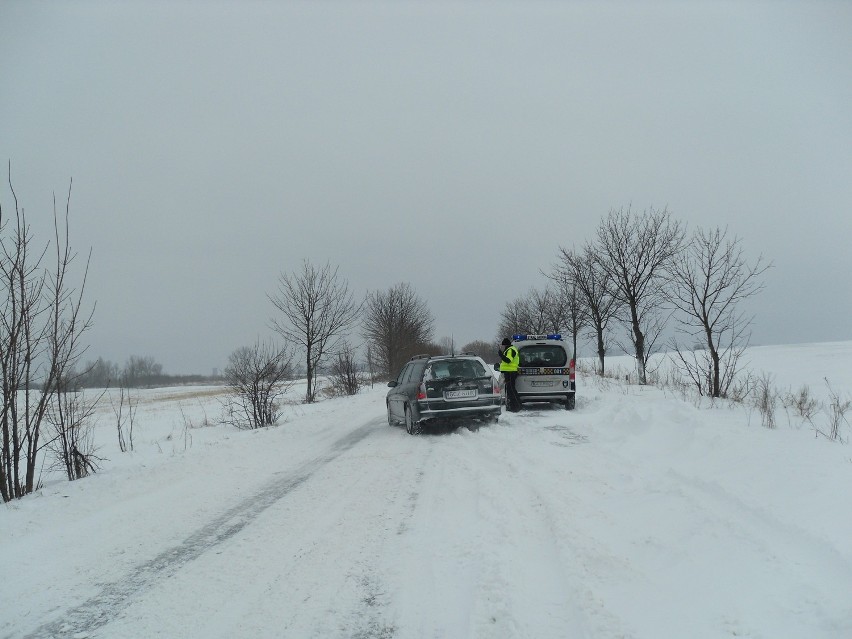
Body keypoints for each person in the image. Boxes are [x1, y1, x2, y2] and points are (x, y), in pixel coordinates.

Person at [498, 337, 521, 412]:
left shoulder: (510, 350)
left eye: (503, 345)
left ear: (506, 345)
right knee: (510, 390)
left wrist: (501, 355)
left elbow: (508, 360)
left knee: (511, 390)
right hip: (509, 372)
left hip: (511, 372)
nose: (502, 347)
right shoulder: (509, 350)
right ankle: (512, 406)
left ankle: (516, 407)